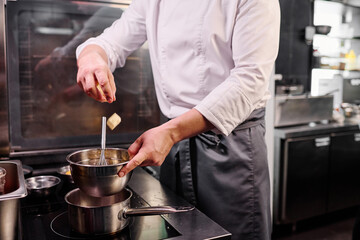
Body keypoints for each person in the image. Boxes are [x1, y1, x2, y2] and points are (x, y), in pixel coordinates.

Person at [75, 0, 280, 239]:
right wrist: (92, 59)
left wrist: (172, 132)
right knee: (178, 231)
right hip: (172, 148)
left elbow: (250, 81)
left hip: (228, 145)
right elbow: (111, 42)